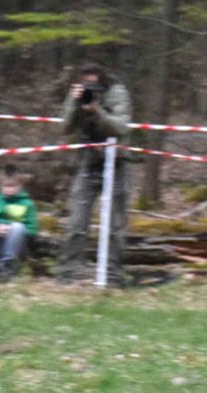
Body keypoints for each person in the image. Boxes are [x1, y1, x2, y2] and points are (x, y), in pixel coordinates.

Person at [56, 62, 132, 286]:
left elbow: (121, 127)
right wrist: (75, 102)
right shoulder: (78, 93)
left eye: (93, 84)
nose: (89, 88)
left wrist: (97, 110)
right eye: (85, 83)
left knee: (115, 224)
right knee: (77, 221)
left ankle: (113, 274)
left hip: (116, 162)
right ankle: (69, 271)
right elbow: (64, 128)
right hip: (88, 161)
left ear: (102, 80)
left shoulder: (118, 93)